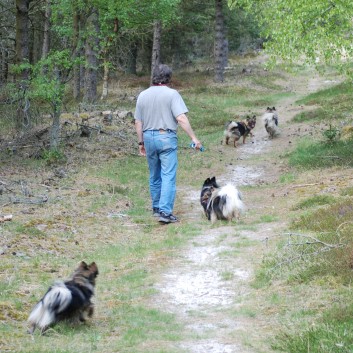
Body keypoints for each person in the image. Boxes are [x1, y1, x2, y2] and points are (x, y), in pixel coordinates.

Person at [134, 64, 202, 224]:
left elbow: (138, 121)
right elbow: (181, 118)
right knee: (168, 175)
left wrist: (140, 142)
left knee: (154, 175)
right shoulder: (172, 94)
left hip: (148, 137)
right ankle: (165, 212)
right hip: (165, 137)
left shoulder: (142, 95)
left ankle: (156, 208)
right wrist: (194, 138)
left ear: (154, 77)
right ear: (168, 78)